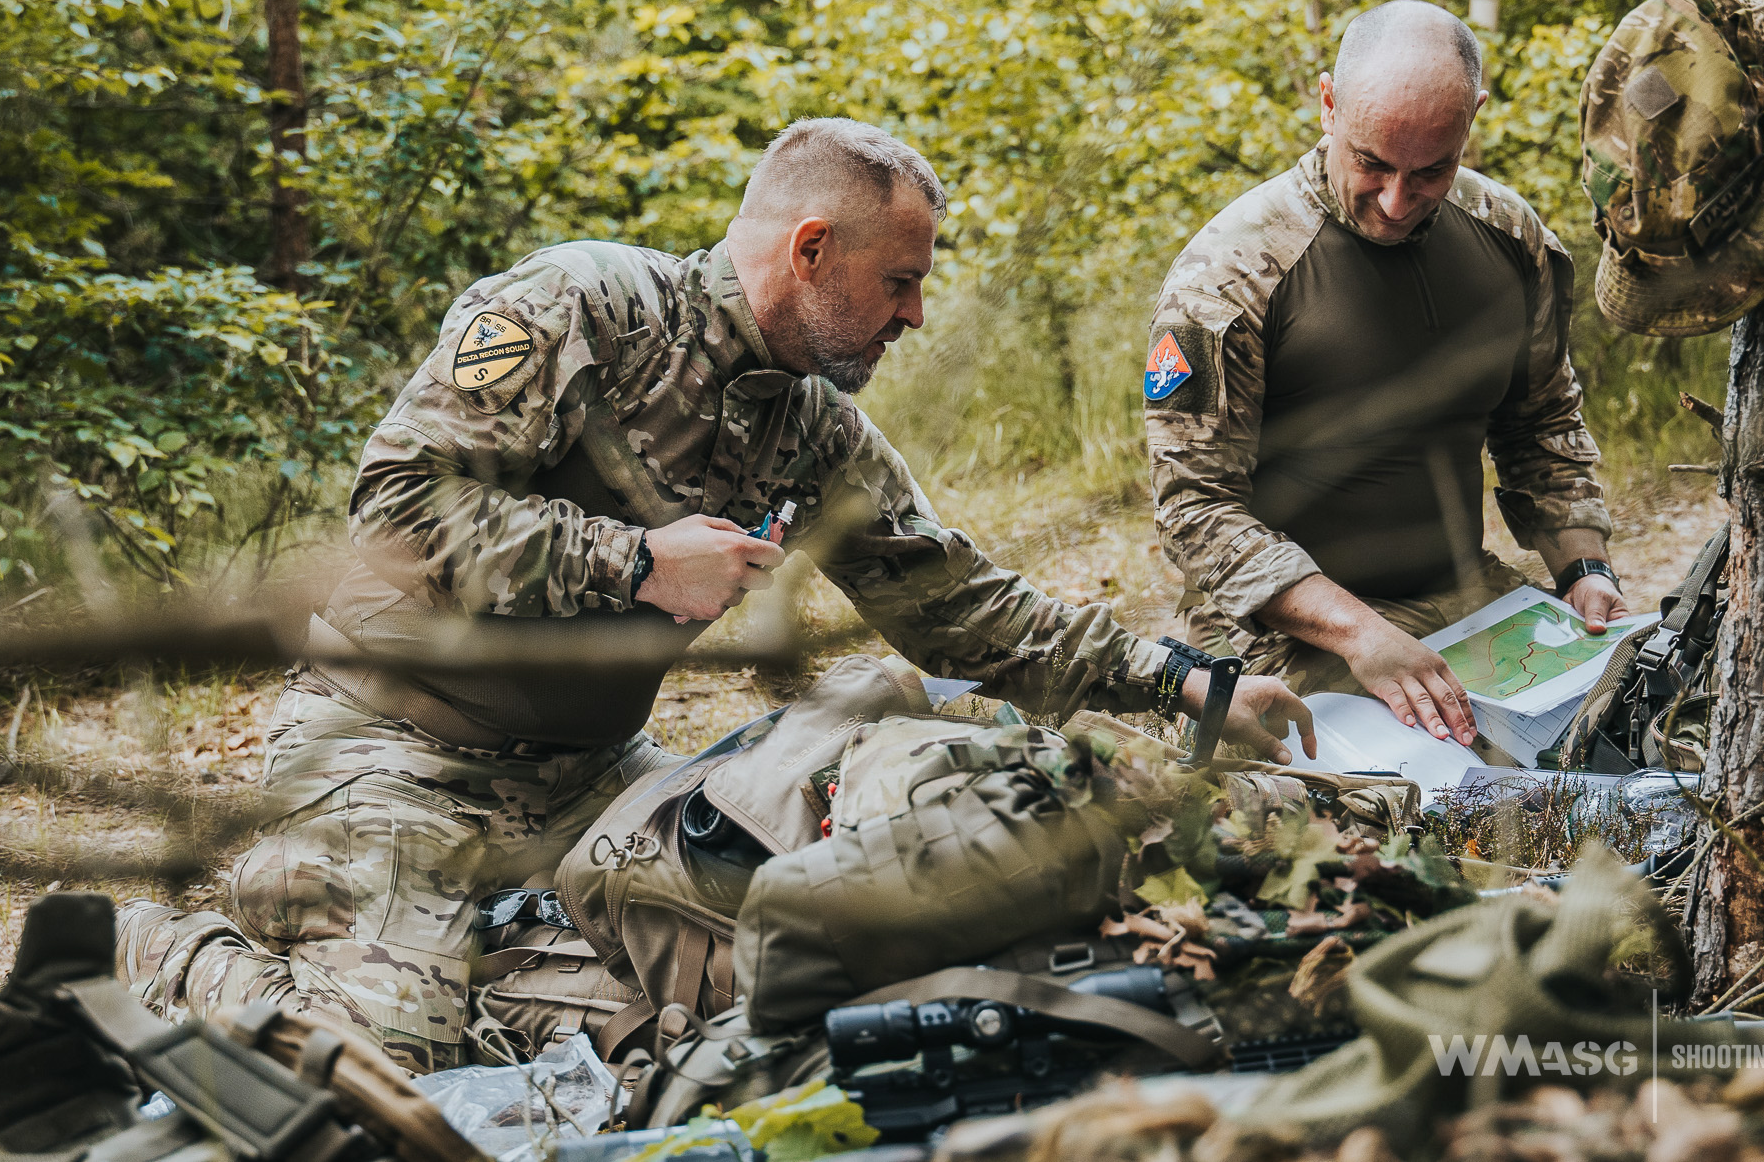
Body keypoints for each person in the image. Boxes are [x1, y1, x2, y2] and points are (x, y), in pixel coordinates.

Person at [116, 117, 1316, 1073]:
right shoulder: (576, 310)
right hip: (390, 745)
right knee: (382, 1060)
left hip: (592, 780)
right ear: (808, 251)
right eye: (897, 282)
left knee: (757, 981)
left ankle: (443, 934)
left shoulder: (812, 429)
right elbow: (394, 510)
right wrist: (633, 561)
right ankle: (155, 943)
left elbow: (963, 605)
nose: (912, 314)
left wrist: (1193, 684)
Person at [1144, 2, 1624, 752]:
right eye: (1372, 163)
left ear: (1474, 119)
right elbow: (1196, 509)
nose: (1397, 202)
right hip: (1282, 631)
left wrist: (1584, 569)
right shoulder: (1231, 273)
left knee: (1630, 722)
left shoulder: (1510, 238)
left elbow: (1543, 422)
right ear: (1329, 103)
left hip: (1465, 600)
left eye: (1432, 169)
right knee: (1424, 802)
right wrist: (1359, 631)